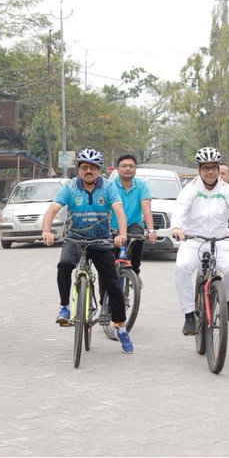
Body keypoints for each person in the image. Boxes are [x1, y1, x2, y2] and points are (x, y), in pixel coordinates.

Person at [41, 148, 134, 354]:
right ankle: (64, 307)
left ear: (99, 170)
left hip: (101, 241)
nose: (88, 171)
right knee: (64, 264)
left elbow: (119, 211)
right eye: (84, 167)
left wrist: (122, 234)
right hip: (74, 238)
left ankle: (121, 328)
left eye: (93, 167)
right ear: (79, 169)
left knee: (112, 284)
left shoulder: (108, 187)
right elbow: (52, 210)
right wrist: (46, 230)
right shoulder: (70, 187)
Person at [170, 147, 229, 336]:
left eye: (213, 168)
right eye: (205, 168)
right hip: (193, 241)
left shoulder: (227, 189)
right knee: (181, 269)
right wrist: (176, 227)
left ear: (218, 168)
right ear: (199, 169)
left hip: (220, 241)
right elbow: (180, 208)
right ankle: (189, 314)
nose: (210, 172)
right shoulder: (190, 189)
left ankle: (225, 300)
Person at [106, 154, 157, 277]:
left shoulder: (141, 186)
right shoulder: (109, 186)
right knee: (109, 261)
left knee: (137, 238)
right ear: (117, 169)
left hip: (134, 224)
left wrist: (151, 231)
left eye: (131, 166)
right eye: (124, 166)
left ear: (135, 169)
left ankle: (134, 273)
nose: (128, 169)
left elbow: (146, 208)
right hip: (113, 226)